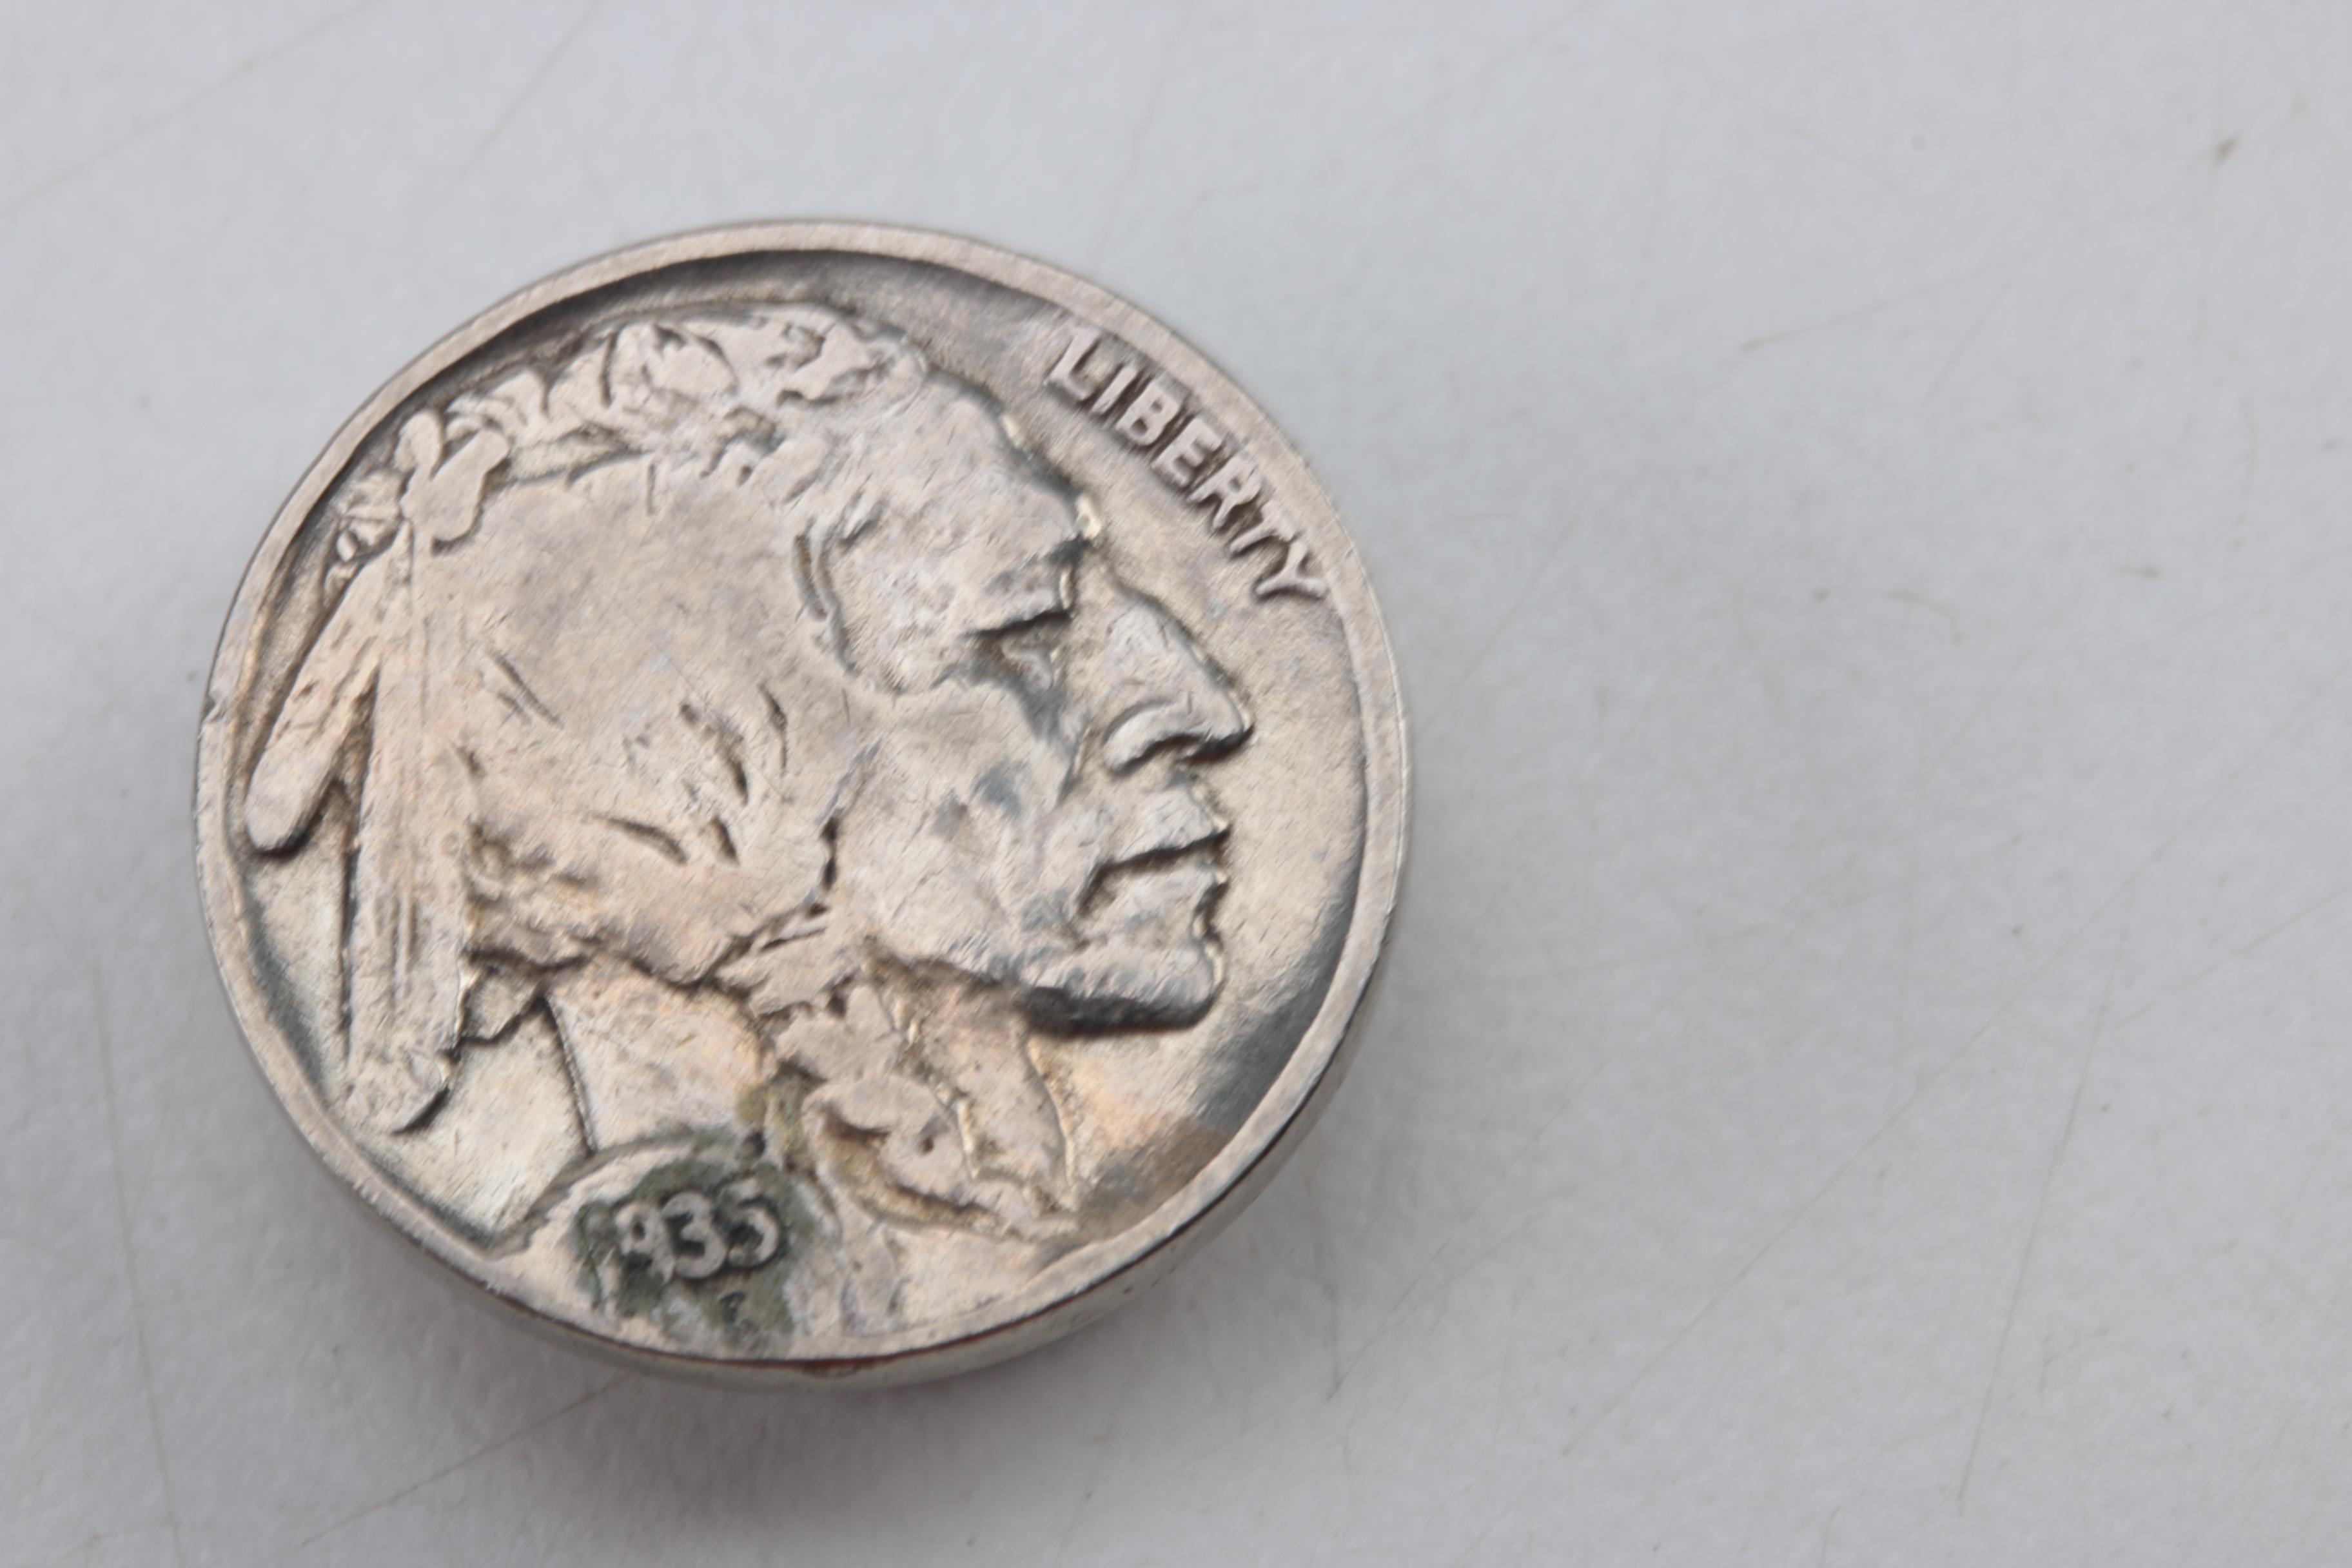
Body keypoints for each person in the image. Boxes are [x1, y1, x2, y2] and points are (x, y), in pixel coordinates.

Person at [244, 301, 1250, 1338]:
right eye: (1029, 623)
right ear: (695, 787)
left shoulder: (974, 1195)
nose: (1202, 703)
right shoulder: (752, 1294)